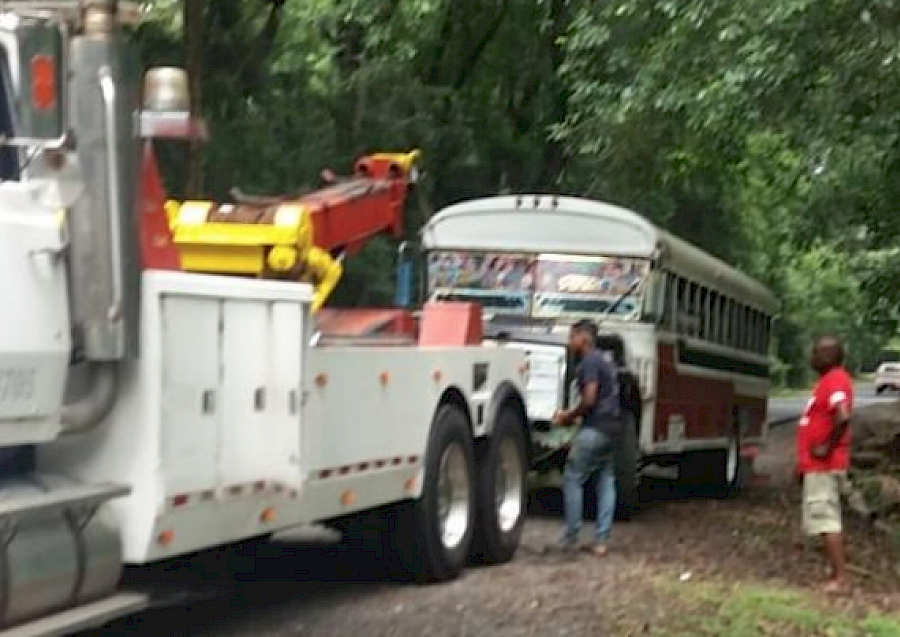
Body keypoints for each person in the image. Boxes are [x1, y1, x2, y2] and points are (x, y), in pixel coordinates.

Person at [551, 319, 622, 556]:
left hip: (597, 427)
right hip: (613, 428)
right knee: (605, 479)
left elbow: (590, 399)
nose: (570, 342)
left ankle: (571, 537)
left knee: (573, 476)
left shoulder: (589, 361)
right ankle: (601, 540)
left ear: (584, 338)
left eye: (572, 337)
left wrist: (568, 416)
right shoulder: (606, 360)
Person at [796, 335, 854, 592]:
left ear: (832, 355)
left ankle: (840, 578)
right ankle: (834, 572)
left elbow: (842, 416)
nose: (813, 357)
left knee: (826, 518)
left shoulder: (836, 381)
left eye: (818, 352)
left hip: (825, 465)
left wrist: (826, 447)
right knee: (823, 517)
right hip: (815, 465)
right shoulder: (826, 382)